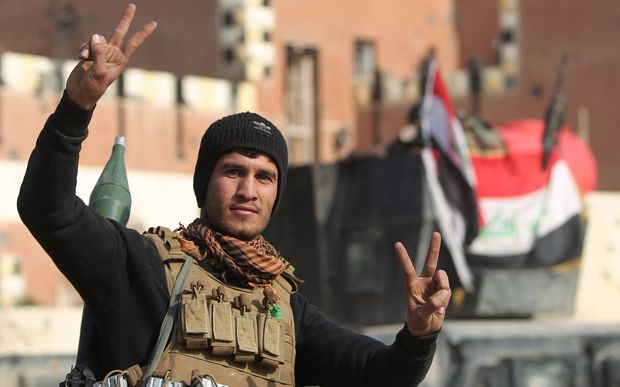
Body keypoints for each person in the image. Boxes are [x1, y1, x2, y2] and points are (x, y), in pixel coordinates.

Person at [17, 4, 451, 387]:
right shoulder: (141, 267)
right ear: (204, 181)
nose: (248, 190)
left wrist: (418, 333)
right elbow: (47, 209)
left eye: (265, 177)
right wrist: (77, 106)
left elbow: (381, 372)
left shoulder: (285, 307)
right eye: (233, 171)